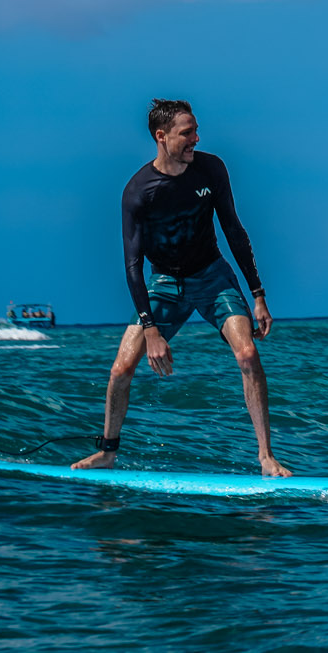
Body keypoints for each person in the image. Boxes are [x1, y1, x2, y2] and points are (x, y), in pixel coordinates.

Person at [71, 99, 292, 477]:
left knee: (248, 356)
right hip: (163, 284)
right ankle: (107, 452)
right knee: (121, 368)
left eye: (195, 130)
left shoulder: (211, 169)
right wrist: (152, 330)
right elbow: (132, 266)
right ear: (161, 137)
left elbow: (234, 232)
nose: (196, 138)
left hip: (212, 277)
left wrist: (258, 295)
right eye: (187, 133)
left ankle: (266, 457)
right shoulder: (139, 192)